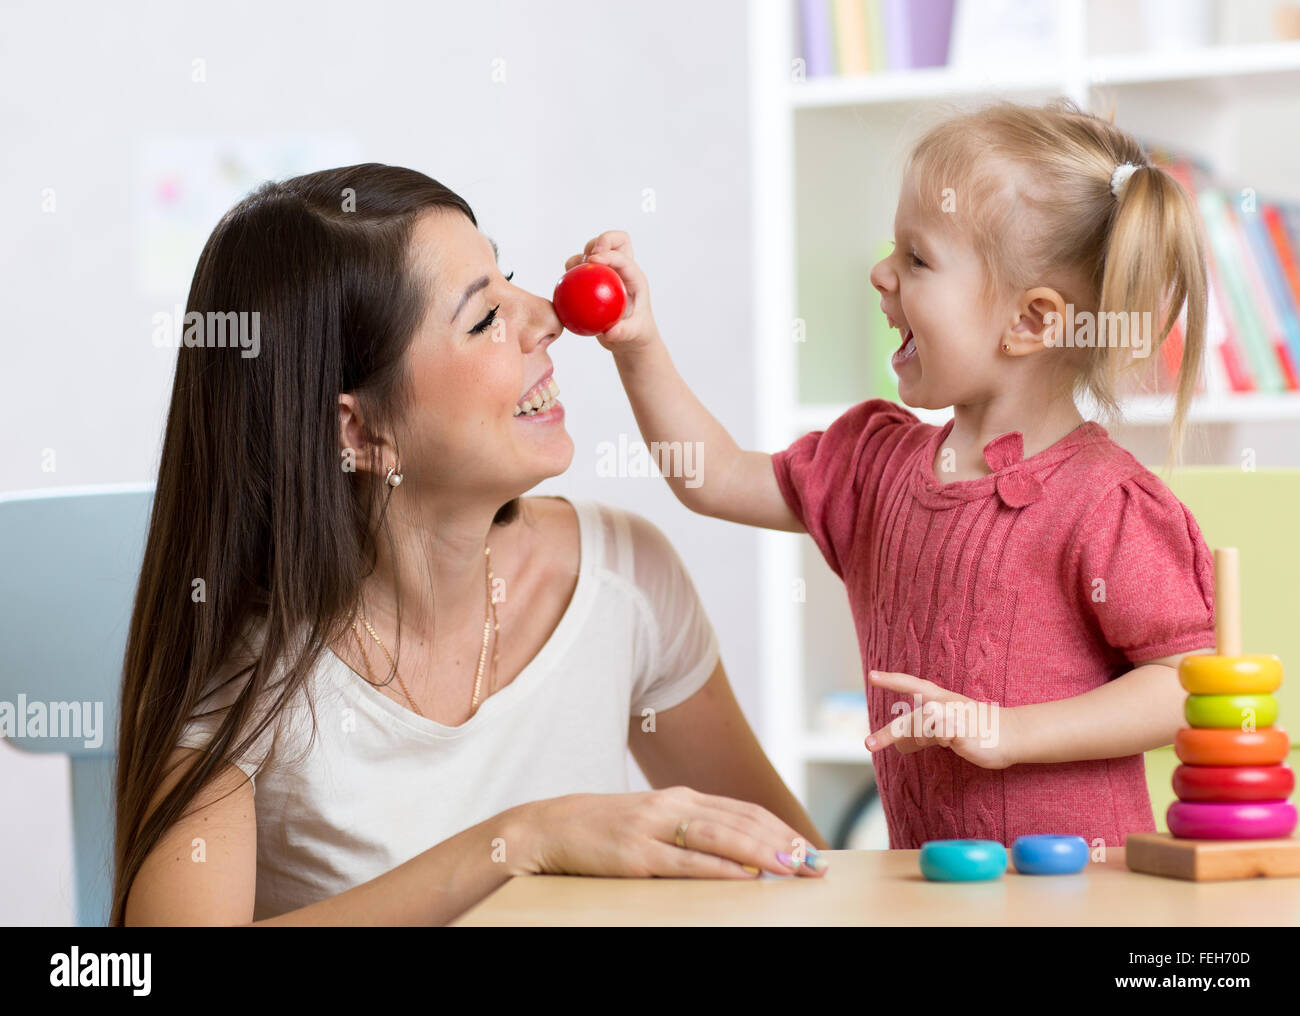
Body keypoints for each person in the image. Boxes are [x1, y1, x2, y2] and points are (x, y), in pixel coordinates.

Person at [114, 164, 828, 927]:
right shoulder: (245, 659)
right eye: (486, 318)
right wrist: (518, 844)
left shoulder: (625, 577)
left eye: (508, 276)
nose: (549, 318)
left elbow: (802, 876)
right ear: (358, 432)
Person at [583, 99, 1217, 849]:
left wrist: (1007, 731)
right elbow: (712, 477)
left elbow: (1187, 686)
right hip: (935, 891)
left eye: (918, 258)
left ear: (1033, 321)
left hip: (1082, 901)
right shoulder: (872, 466)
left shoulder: (1103, 505)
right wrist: (639, 346)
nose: (882, 272)